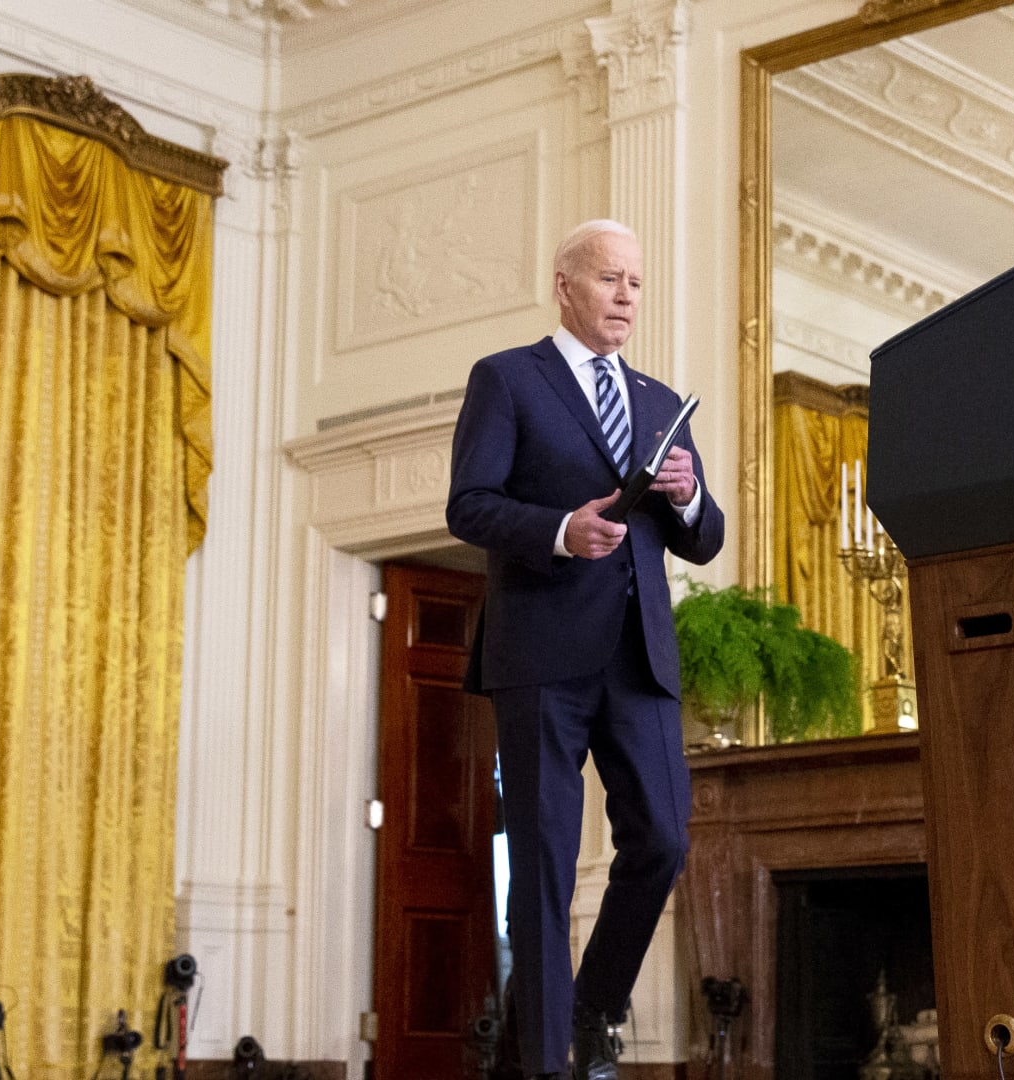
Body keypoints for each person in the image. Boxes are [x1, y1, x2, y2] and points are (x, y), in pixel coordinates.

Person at [446, 219, 726, 1080]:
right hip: (541, 655)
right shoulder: (507, 379)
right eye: (610, 279)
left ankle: (592, 1008)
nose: (627, 297)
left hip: (639, 659)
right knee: (543, 864)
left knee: (662, 841)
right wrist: (562, 530)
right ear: (565, 286)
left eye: (636, 282)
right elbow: (469, 505)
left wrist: (688, 495)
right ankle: (542, 1066)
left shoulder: (660, 401)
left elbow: (705, 539)